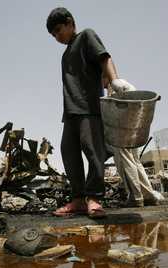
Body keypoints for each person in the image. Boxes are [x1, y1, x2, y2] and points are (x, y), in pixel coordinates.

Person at [46, 7, 135, 217]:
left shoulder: (86, 36)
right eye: (53, 35)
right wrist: (105, 81)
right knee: (68, 152)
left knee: (93, 150)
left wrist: (114, 80)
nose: (57, 37)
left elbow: (104, 58)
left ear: (70, 23)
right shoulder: (65, 54)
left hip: (89, 107)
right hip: (70, 111)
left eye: (59, 30)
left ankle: (94, 198)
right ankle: (77, 199)